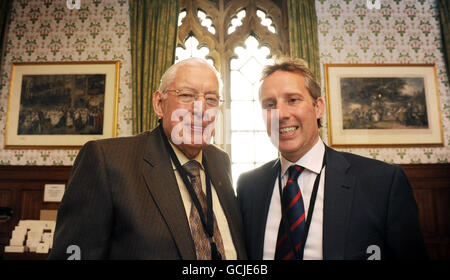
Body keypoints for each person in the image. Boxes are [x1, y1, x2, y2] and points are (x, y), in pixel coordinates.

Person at [49, 58, 246, 260]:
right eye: (186, 95)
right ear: (160, 104)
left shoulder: (220, 161)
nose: (201, 109)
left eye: (211, 99)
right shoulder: (106, 160)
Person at [236, 57, 428, 260]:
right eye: (269, 104)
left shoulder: (383, 182)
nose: (280, 114)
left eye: (293, 100)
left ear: (318, 107)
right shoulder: (249, 186)